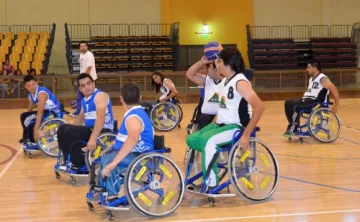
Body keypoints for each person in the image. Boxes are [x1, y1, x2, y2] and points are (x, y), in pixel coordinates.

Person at [186, 48, 265, 190]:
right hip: (220, 125)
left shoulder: (240, 82)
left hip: (235, 127)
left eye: (219, 61)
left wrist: (246, 135)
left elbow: (259, 107)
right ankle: (211, 165)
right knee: (192, 139)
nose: (217, 64)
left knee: (208, 141)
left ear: (228, 64)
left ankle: (210, 184)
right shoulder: (224, 82)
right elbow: (223, 106)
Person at [96, 83, 154, 200]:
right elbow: (123, 138)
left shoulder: (133, 117)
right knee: (106, 156)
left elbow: (133, 139)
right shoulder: (132, 114)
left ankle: (111, 194)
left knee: (111, 162)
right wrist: (111, 146)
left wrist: (114, 163)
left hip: (141, 156)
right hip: (135, 151)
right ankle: (101, 188)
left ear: (121, 98)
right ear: (140, 97)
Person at [57, 73, 113, 170]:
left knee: (70, 132)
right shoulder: (84, 100)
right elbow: (80, 119)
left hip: (102, 131)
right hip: (89, 130)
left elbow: (100, 120)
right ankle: (67, 160)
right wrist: (69, 129)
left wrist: (92, 139)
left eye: (89, 83)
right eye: (83, 86)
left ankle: (80, 163)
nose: (87, 87)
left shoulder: (100, 96)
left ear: (94, 83)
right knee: (62, 129)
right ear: (80, 89)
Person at [283, 60, 340, 137]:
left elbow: (334, 88)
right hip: (307, 101)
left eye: (308, 67)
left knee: (294, 105)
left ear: (315, 68)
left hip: (315, 103)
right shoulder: (311, 79)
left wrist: (337, 104)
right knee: (288, 102)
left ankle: (293, 129)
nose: (306, 69)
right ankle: (293, 127)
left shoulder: (322, 78)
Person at [186, 41, 224, 131]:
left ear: (216, 69)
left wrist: (218, 60)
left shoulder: (228, 81)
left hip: (220, 119)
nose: (207, 71)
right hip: (205, 118)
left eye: (209, 68)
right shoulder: (208, 80)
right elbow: (189, 74)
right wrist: (201, 62)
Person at [19, 75, 62, 144]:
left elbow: (40, 111)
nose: (31, 87)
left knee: (32, 125)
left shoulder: (41, 93)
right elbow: (29, 110)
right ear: (25, 87)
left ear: (37, 83)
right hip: (46, 112)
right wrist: (28, 118)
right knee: (23, 116)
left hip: (53, 112)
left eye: (33, 84)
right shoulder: (30, 95)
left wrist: (36, 129)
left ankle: (34, 141)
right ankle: (26, 136)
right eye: (29, 86)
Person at [72, 41, 97, 116]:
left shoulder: (89, 55)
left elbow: (89, 68)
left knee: (83, 96)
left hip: (88, 80)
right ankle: (81, 111)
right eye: (81, 46)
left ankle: (79, 112)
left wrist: (84, 80)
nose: (83, 47)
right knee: (82, 96)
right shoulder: (82, 55)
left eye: (84, 46)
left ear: (87, 47)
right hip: (85, 79)